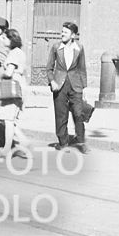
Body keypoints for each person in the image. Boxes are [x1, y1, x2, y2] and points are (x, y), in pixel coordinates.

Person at [47, 20, 88, 152]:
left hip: (75, 85)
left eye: (65, 32)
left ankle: (81, 142)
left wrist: (84, 88)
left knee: (78, 113)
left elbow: (82, 69)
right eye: (62, 31)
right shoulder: (55, 47)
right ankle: (63, 143)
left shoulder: (79, 48)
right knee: (61, 114)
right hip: (59, 85)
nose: (62, 34)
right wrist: (52, 81)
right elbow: (49, 68)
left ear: (73, 35)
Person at [0, 28, 31, 156]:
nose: (3, 40)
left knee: (8, 120)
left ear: (11, 40)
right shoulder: (20, 52)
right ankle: (24, 141)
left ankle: (7, 149)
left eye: (5, 38)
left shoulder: (12, 54)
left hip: (11, 88)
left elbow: (9, 72)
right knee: (10, 118)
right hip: (19, 87)